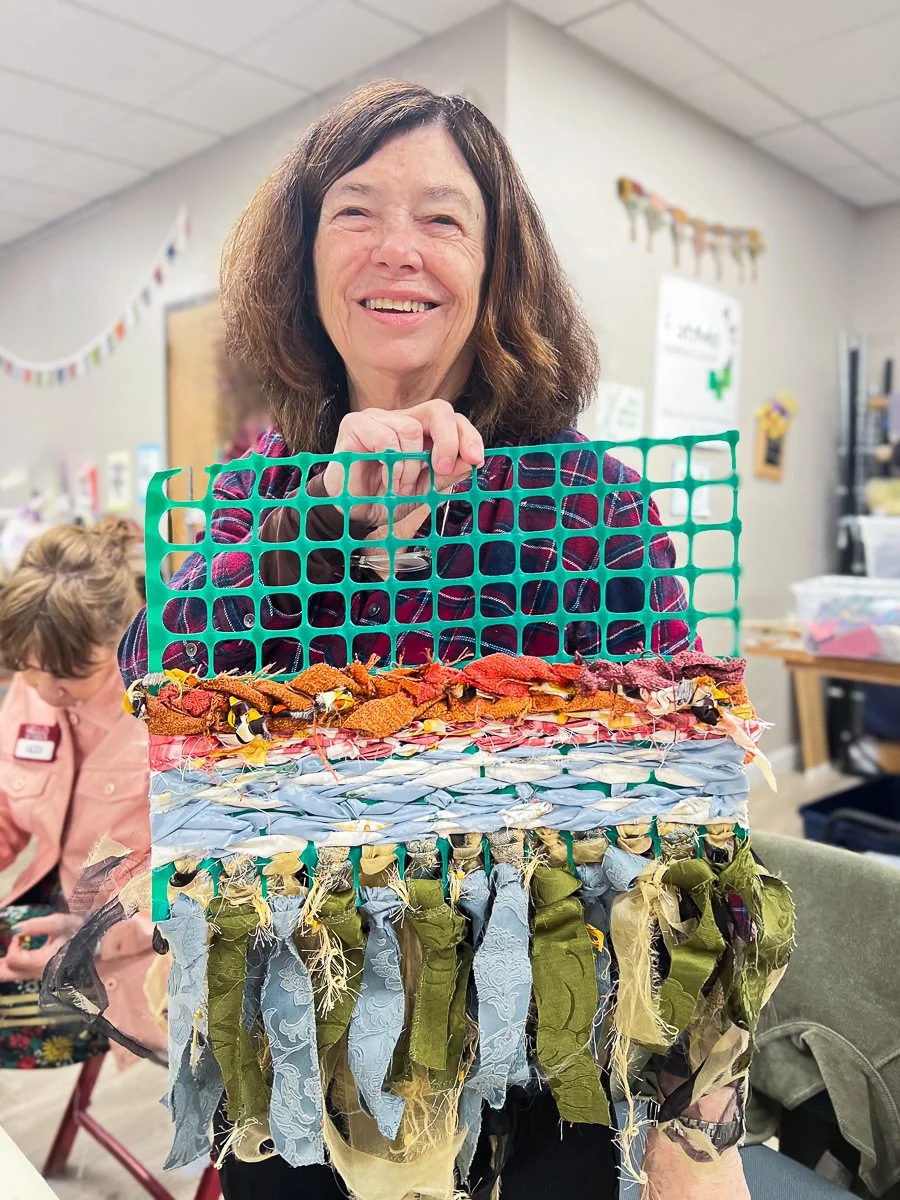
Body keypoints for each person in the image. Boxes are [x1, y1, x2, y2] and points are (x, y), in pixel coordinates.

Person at [119, 81, 747, 1199]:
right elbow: (152, 680)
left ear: (497, 268)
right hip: (297, 1037)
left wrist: (697, 1111)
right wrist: (321, 521)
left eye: (444, 219)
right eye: (355, 211)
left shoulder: (588, 502)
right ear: (305, 260)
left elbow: (678, 796)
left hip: (552, 1045)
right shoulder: (258, 488)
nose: (396, 250)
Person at [0, 519, 165, 1067]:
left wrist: (86, 944)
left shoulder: (164, 705)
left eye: (71, 674)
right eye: (29, 669)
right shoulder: (35, 694)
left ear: (122, 636)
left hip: (135, 948)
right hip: (51, 910)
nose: (47, 691)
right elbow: (8, 810)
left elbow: (192, 877)